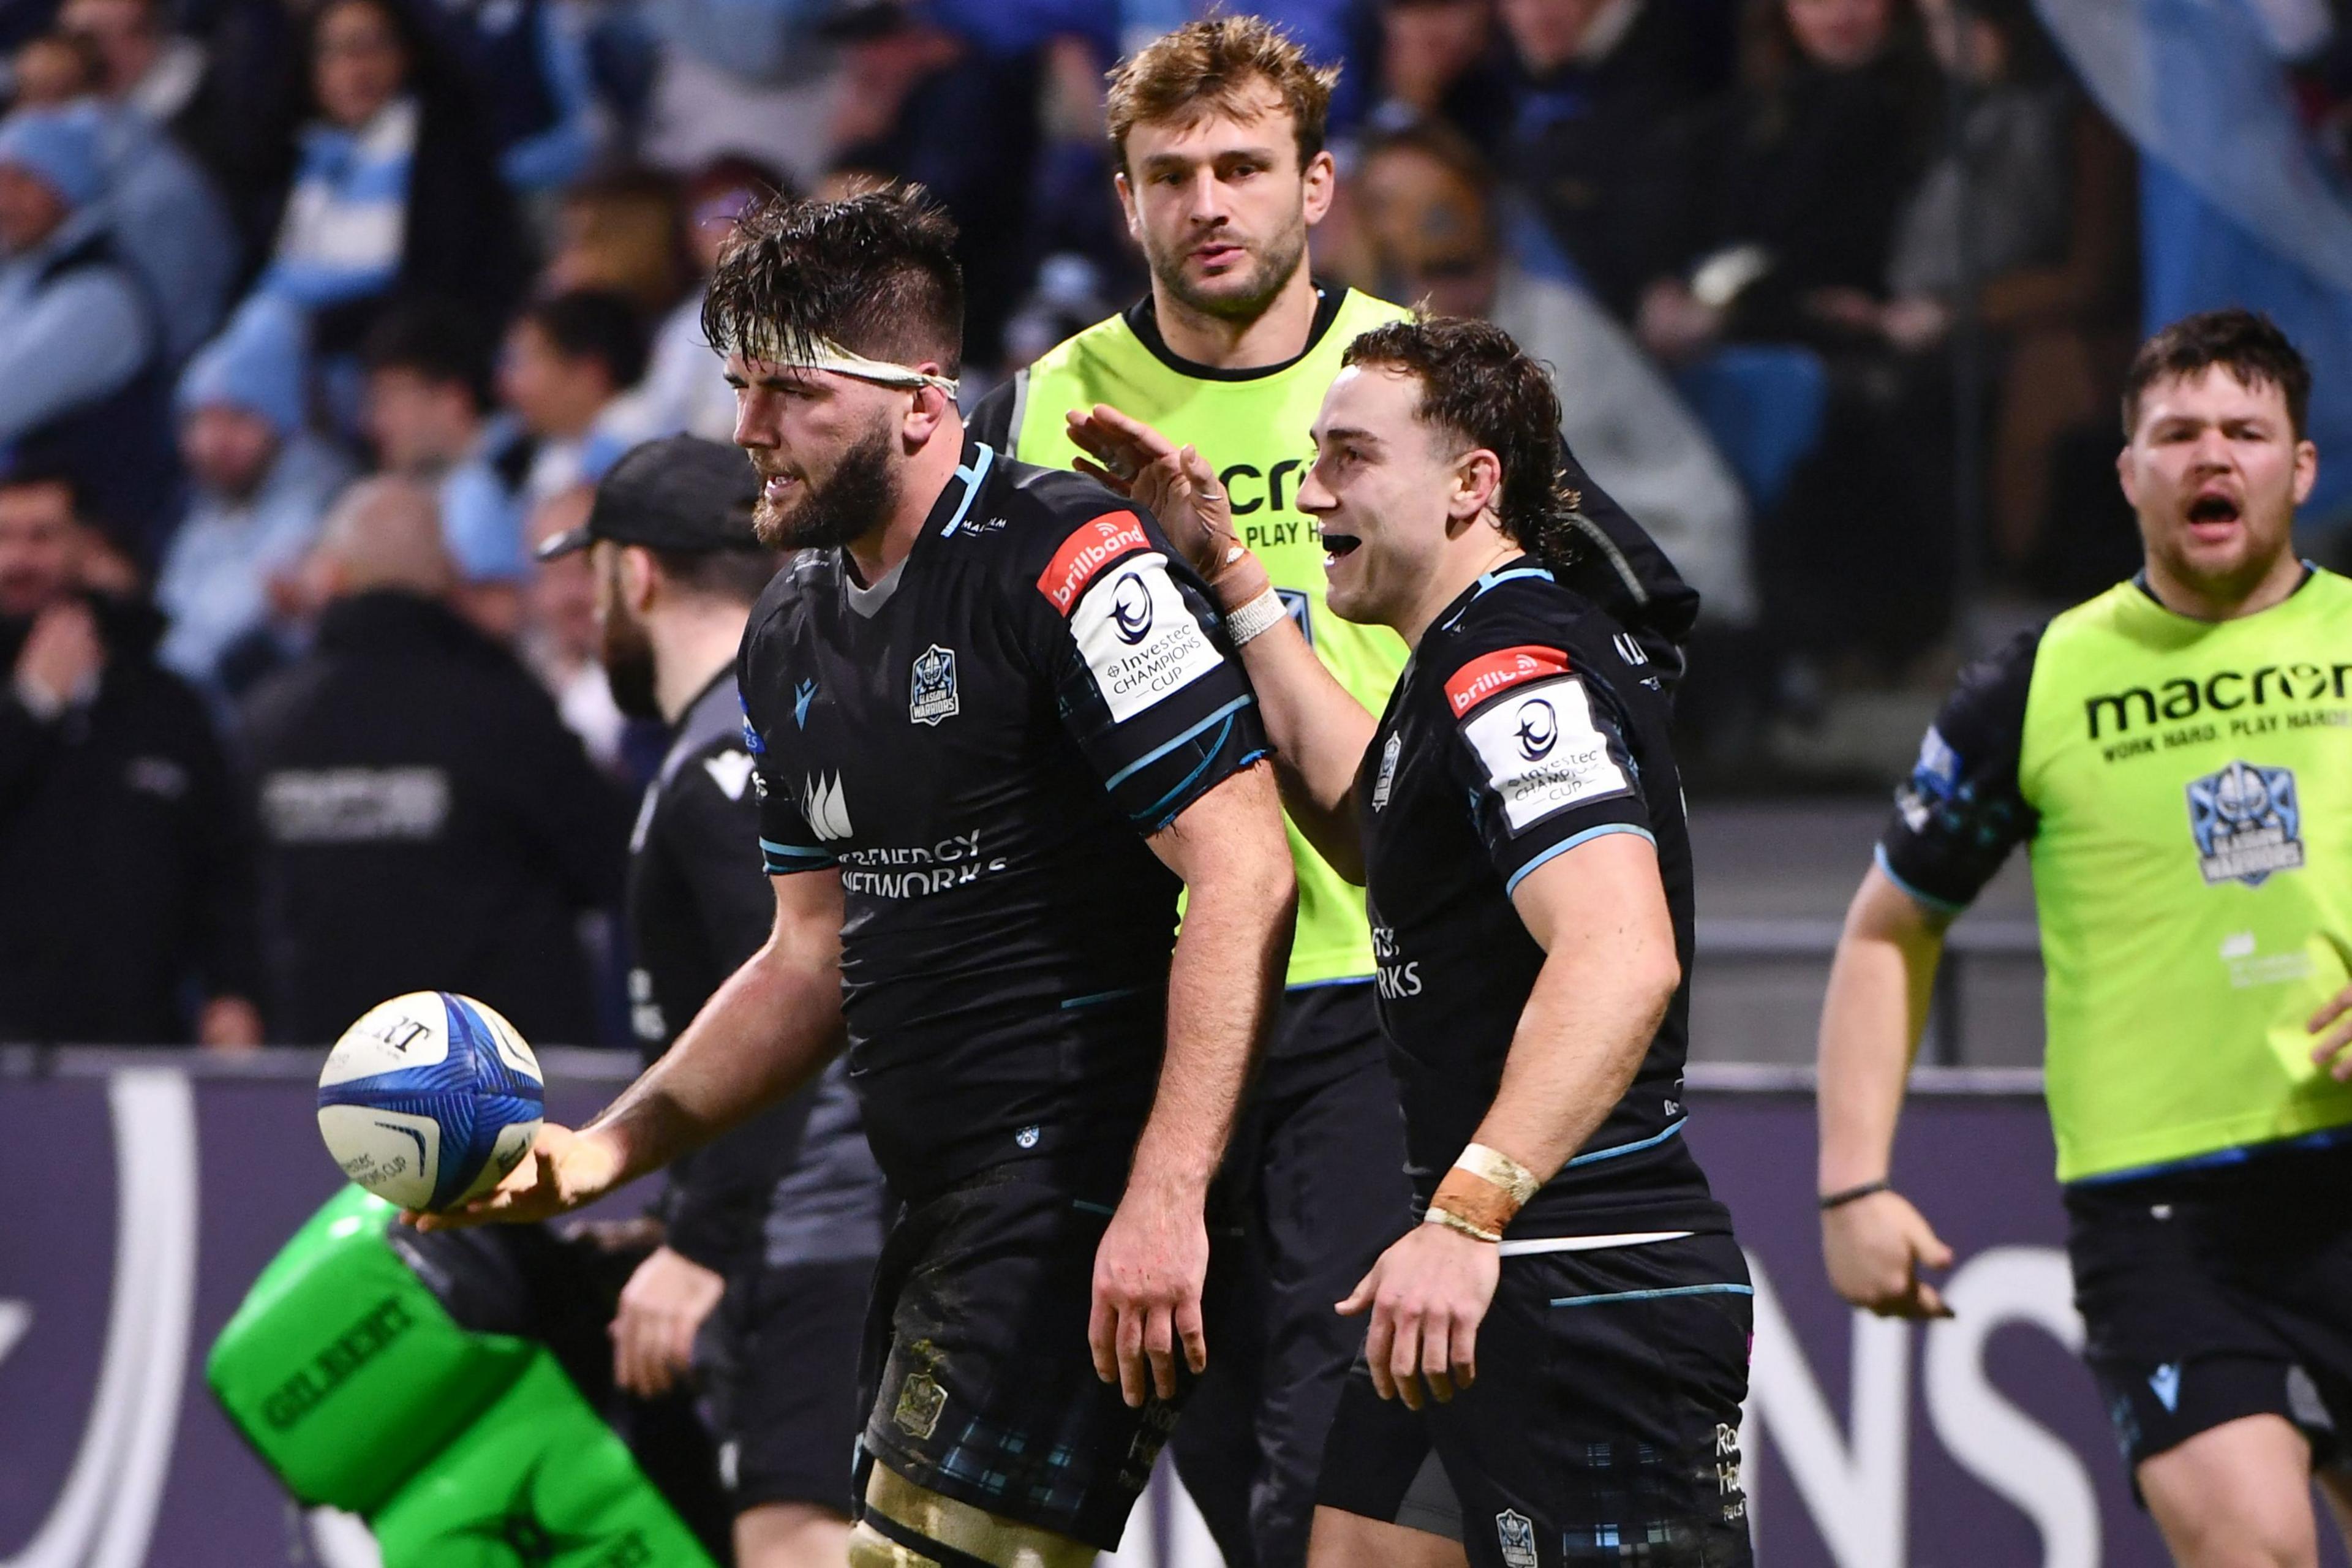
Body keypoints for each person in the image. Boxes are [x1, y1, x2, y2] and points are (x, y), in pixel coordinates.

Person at [413, 186, 1299, 1568]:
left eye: (790, 392)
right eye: (740, 387)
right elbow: (803, 959)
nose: (749, 430)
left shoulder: (1071, 560)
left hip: (1084, 1170)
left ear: (921, 399)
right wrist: (609, 1147)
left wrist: (1166, 1187)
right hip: (941, 1189)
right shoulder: (791, 629)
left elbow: (1244, 864)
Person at [969, 20, 1702, 1566]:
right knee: (1246, 1475)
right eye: (1170, 175)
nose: (1207, 203)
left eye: (1242, 167)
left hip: (1357, 1003)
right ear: (1122, 202)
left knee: (1318, 1480)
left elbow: (1634, 623)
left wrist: (1518, 805)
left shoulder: (1413, 389)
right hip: (1143, 1010)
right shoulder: (1044, 409)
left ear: (1317, 186)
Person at [1070, 312, 1752, 1567]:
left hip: (1578, 1265)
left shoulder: (1517, 669)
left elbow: (1619, 952)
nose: (1313, 488)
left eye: (1349, 457)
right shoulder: (1456, 663)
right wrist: (1227, 575)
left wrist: (1469, 1214)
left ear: (1473, 484)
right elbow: (1366, 814)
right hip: (1478, 1267)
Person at [1815, 310, 2352, 1568]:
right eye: (2176, 433)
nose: (2210, 457)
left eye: (2244, 431)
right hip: (2162, 1214)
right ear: (2127, 471)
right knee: (2254, 1548)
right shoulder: (2033, 683)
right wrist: (1852, 1182)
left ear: (2302, 464)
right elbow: (1892, 929)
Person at [540, 433, 887, 1567]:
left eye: (591, 579)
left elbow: (804, 998)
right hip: (826, 1224)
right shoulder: (785, 727)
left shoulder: (724, 763)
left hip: (820, 1237)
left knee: (797, 1544)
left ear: (629, 575)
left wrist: (703, 1241)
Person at [242, 475, 627, 1044]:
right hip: (493, 1081)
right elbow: (612, 862)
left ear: (334, 575)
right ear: (448, 575)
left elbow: (238, 905)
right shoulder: (505, 711)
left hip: (326, 1080)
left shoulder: (266, 724)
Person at [0, 469, 263, 1047]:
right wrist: (29, 710)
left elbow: (225, 865)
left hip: (141, 1045)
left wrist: (234, 991)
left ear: (86, 546)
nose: (17, 559)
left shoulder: (167, 706)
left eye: (41, 536)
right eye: (4, 537)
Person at [157, 296, 354, 694]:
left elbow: (231, 630)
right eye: (202, 421)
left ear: (284, 423)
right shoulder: (209, 506)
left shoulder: (321, 499)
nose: (215, 442)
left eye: (238, 419)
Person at [0, 102, 174, 548]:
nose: (4, 199)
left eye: (22, 181)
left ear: (66, 186)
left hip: (91, 539)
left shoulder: (101, 295)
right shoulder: (21, 272)